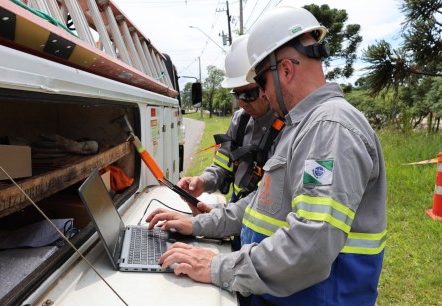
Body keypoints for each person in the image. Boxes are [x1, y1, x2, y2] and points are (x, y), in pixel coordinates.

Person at [147, 6, 387, 306]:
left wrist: (218, 266)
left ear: (286, 69)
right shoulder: (302, 126)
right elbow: (261, 203)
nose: (263, 95)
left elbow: (311, 245)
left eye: (261, 83)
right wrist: (196, 225)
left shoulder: (330, 129)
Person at [178, 34, 283, 211]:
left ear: (266, 86)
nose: (241, 103)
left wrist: (223, 219)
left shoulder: (286, 127)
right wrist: (203, 182)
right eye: (236, 95)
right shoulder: (240, 121)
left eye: (248, 95)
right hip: (237, 206)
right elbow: (222, 164)